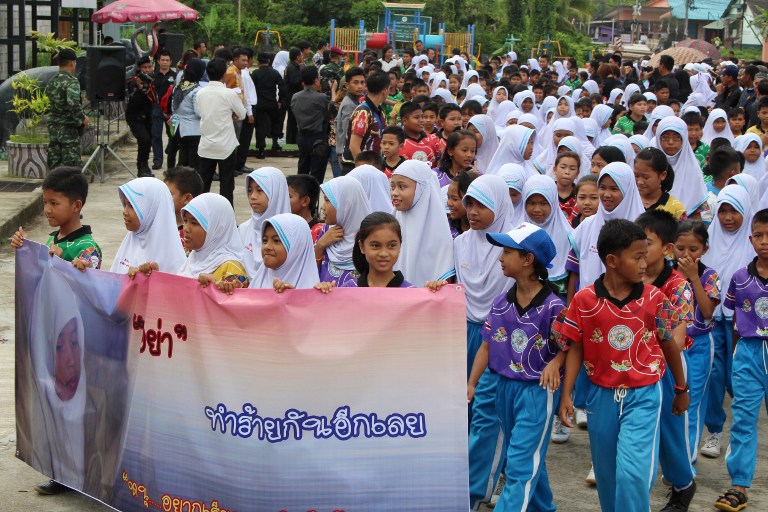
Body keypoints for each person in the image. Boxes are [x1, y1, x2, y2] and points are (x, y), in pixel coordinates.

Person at [557, 218, 689, 512]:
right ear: (612, 261)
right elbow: (577, 346)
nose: (645, 263)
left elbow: (669, 344)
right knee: (607, 476)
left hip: (643, 394)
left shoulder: (655, 298)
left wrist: (681, 387)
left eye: (646, 255)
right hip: (600, 395)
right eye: (637, 256)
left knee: (632, 475)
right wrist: (567, 394)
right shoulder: (584, 300)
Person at [466, 222, 563, 511]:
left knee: (520, 466)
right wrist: (471, 383)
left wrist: (556, 363)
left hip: (536, 391)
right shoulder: (500, 303)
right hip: (503, 388)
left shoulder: (554, 307)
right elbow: (487, 345)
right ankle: (543, 507)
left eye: (508, 251)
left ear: (528, 259)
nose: (500, 257)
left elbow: (568, 348)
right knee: (524, 452)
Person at [635, 210, 697, 510]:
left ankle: (684, 485)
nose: (640, 250)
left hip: (668, 366)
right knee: (641, 436)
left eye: (647, 242)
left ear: (668, 248)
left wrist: (680, 386)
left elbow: (674, 338)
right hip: (633, 366)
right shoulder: (628, 275)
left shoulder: (677, 286)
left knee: (672, 438)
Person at [714, 207, 768, 511]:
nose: (764, 242)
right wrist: (736, 358)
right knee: (744, 420)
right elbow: (733, 322)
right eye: (759, 235)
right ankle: (738, 485)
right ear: (750, 239)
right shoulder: (740, 278)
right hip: (748, 352)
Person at [700, 186, 756, 460]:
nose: (728, 217)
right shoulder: (710, 241)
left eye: (734, 210)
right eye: (722, 210)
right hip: (713, 318)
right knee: (714, 375)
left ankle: (741, 432)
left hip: (742, 324)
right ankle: (714, 431)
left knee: (738, 378)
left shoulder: (754, 245)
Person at [28, 267, 86, 495]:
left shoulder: (102, 419)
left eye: (75, 342)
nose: (71, 360)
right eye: (59, 347)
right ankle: (62, 476)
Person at [673, 220, 720, 467]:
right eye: (681, 248)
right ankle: (675, 456)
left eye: (694, 249)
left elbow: (708, 311)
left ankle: (686, 461)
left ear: (704, 249)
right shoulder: (666, 274)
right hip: (671, 345)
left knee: (693, 402)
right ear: (671, 247)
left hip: (699, 344)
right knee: (673, 399)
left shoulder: (709, 275)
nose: (686, 254)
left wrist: (692, 278)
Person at [11, 168, 102, 272]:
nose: (47, 210)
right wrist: (26, 248)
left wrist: (61, 263)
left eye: (54, 203)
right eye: (45, 202)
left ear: (76, 206)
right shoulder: (54, 239)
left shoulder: (88, 248)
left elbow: (90, 284)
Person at [169, 193, 249, 292]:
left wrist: (216, 288)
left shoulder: (232, 269)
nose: (186, 228)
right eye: (185, 221)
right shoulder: (192, 259)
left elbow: (239, 304)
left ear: (216, 229)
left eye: (194, 223)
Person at [194, 58, 246, 205]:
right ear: (224, 74)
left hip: (206, 144)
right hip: (226, 145)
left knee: (204, 184)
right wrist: (231, 114)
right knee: (227, 185)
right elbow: (241, 114)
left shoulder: (201, 93)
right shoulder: (228, 94)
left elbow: (200, 112)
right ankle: (227, 218)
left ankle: (200, 216)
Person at [112, 177, 187, 275]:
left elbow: (174, 287)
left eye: (132, 206)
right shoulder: (130, 241)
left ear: (151, 210)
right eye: (125, 204)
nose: (125, 212)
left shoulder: (171, 256)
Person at [324, 212, 414, 288]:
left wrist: (428, 295)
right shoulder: (348, 290)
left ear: (400, 246)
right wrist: (325, 294)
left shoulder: (411, 293)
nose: (383, 253)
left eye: (391, 245)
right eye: (375, 245)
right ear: (362, 247)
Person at [315, 176, 372, 286]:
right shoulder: (326, 233)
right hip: (323, 300)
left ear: (346, 204)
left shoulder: (370, 239)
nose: (322, 207)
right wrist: (319, 247)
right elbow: (310, 276)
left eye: (327, 200)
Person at [238, 168, 291, 278]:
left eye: (260, 190)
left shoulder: (293, 233)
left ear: (276, 192)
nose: (252, 196)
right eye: (250, 190)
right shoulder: (243, 229)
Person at [250, 213, 320, 291]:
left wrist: (290, 297)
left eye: (276, 240)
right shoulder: (258, 282)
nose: (267, 247)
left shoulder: (314, 292)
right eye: (265, 240)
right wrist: (235, 293)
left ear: (296, 247)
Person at [45, 49, 88, 170]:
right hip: (68, 129)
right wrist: (82, 118)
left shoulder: (52, 81)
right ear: (72, 63)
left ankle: (53, 187)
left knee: (54, 163)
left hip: (54, 127)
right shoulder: (72, 81)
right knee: (70, 165)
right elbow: (73, 103)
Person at [342, 72, 389, 174]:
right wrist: (365, 171)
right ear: (385, 91)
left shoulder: (379, 111)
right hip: (358, 169)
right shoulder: (363, 112)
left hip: (372, 167)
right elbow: (354, 146)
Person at [291, 66, 330, 183]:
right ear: (316, 80)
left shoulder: (295, 97)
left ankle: (300, 192)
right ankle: (314, 195)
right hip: (317, 137)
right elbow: (330, 109)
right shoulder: (321, 97)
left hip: (302, 136)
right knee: (317, 171)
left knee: (303, 166)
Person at [171, 58, 205, 171]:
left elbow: (173, 108)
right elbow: (199, 112)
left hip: (179, 128)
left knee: (183, 161)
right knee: (194, 164)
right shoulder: (197, 90)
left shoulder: (178, 87)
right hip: (194, 130)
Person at [634, 147, 687, 220]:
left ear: (662, 175)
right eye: (636, 176)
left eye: (646, 177)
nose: (639, 182)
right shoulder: (629, 201)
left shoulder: (676, 208)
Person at [125, 56, 157, 177]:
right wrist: (139, 89)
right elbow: (133, 102)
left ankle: (144, 166)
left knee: (148, 141)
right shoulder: (134, 81)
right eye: (145, 67)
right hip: (135, 117)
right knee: (144, 139)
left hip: (148, 116)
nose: (148, 70)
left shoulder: (152, 80)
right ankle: (142, 167)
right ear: (139, 68)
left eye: (149, 67)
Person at [252, 52, 286, 159]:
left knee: (260, 126)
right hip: (272, 102)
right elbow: (282, 87)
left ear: (258, 62)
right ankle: (275, 143)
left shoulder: (255, 73)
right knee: (275, 122)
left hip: (260, 103)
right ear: (269, 61)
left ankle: (261, 150)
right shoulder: (274, 73)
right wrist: (280, 100)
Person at [163, 166, 204, 253]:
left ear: (187, 198)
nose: (162, 197)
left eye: (168, 194)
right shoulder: (160, 224)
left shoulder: (193, 236)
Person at [336, 67, 366, 173]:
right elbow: (347, 132)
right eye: (356, 83)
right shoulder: (349, 104)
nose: (360, 86)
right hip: (347, 154)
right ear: (347, 85)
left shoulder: (357, 101)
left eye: (362, 82)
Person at [151, 49, 176, 170]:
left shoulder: (175, 76)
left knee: (173, 135)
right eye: (162, 60)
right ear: (158, 61)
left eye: (167, 60)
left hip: (171, 110)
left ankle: (171, 156)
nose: (165, 62)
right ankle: (157, 160)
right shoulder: (153, 76)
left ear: (171, 61)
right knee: (156, 135)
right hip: (156, 108)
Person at [236, 48, 258, 174]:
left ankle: (240, 162)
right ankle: (239, 163)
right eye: (243, 60)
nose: (246, 62)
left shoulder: (244, 73)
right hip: (246, 108)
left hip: (248, 107)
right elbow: (246, 95)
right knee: (244, 139)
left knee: (245, 138)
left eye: (246, 60)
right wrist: (249, 113)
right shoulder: (243, 75)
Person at [286, 174, 323, 242]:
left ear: (305, 201)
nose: (283, 200)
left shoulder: (319, 232)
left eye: (289, 197)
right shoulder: (282, 227)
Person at [398, 102, 436, 166]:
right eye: (416, 117)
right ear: (404, 121)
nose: (421, 120)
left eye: (422, 117)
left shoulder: (433, 139)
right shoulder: (397, 143)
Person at [446, 170, 480, 238]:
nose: (449, 203)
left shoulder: (483, 230)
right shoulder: (446, 228)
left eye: (455, 199)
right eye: (448, 197)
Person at [284, 48, 303, 145]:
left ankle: (292, 140)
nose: (302, 57)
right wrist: (302, 77)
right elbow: (294, 82)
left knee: (293, 120)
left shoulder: (293, 66)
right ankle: (291, 141)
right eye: (301, 55)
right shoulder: (292, 68)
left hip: (292, 97)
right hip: (292, 97)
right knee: (292, 121)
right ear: (297, 57)